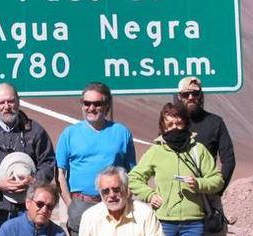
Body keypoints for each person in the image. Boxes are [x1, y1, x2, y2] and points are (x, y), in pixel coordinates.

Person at [0, 82, 56, 235]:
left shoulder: (35, 131)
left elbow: (48, 163)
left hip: (27, 211)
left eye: (10, 101)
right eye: (1, 102)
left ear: (18, 101)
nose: (7, 106)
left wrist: (34, 181)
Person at [129, 103, 223, 236]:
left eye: (178, 123)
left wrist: (199, 184)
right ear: (163, 127)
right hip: (164, 221)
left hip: (194, 223)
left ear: (185, 123)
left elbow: (217, 180)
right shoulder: (156, 151)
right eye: (170, 124)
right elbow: (133, 178)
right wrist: (149, 195)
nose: (175, 128)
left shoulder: (197, 149)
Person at [56, 81, 137, 236]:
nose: (91, 108)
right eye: (87, 103)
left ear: (106, 106)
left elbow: (132, 173)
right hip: (81, 205)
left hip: (113, 202)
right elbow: (60, 173)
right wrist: (70, 204)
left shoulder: (121, 132)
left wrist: (125, 200)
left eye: (97, 104)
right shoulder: (69, 133)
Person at [174, 76, 235, 235]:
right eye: (186, 94)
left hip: (208, 195)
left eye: (195, 93)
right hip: (181, 196)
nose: (191, 98)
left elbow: (228, 159)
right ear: (179, 97)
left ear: (201, 95)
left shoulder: (215, 122)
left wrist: (218, 189)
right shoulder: (173, 124)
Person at [78, 166, 163, 236]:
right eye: (106, 191)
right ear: (100, 194)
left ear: (126, 190)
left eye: (116, 189)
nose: (112, 195)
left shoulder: (145, 213)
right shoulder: (89, 217)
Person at [0, 180, 66, 236]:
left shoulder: (58, 233)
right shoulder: (10, 229)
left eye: (49, 206)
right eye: (40, 204)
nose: (44, 210)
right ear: (28, 203)